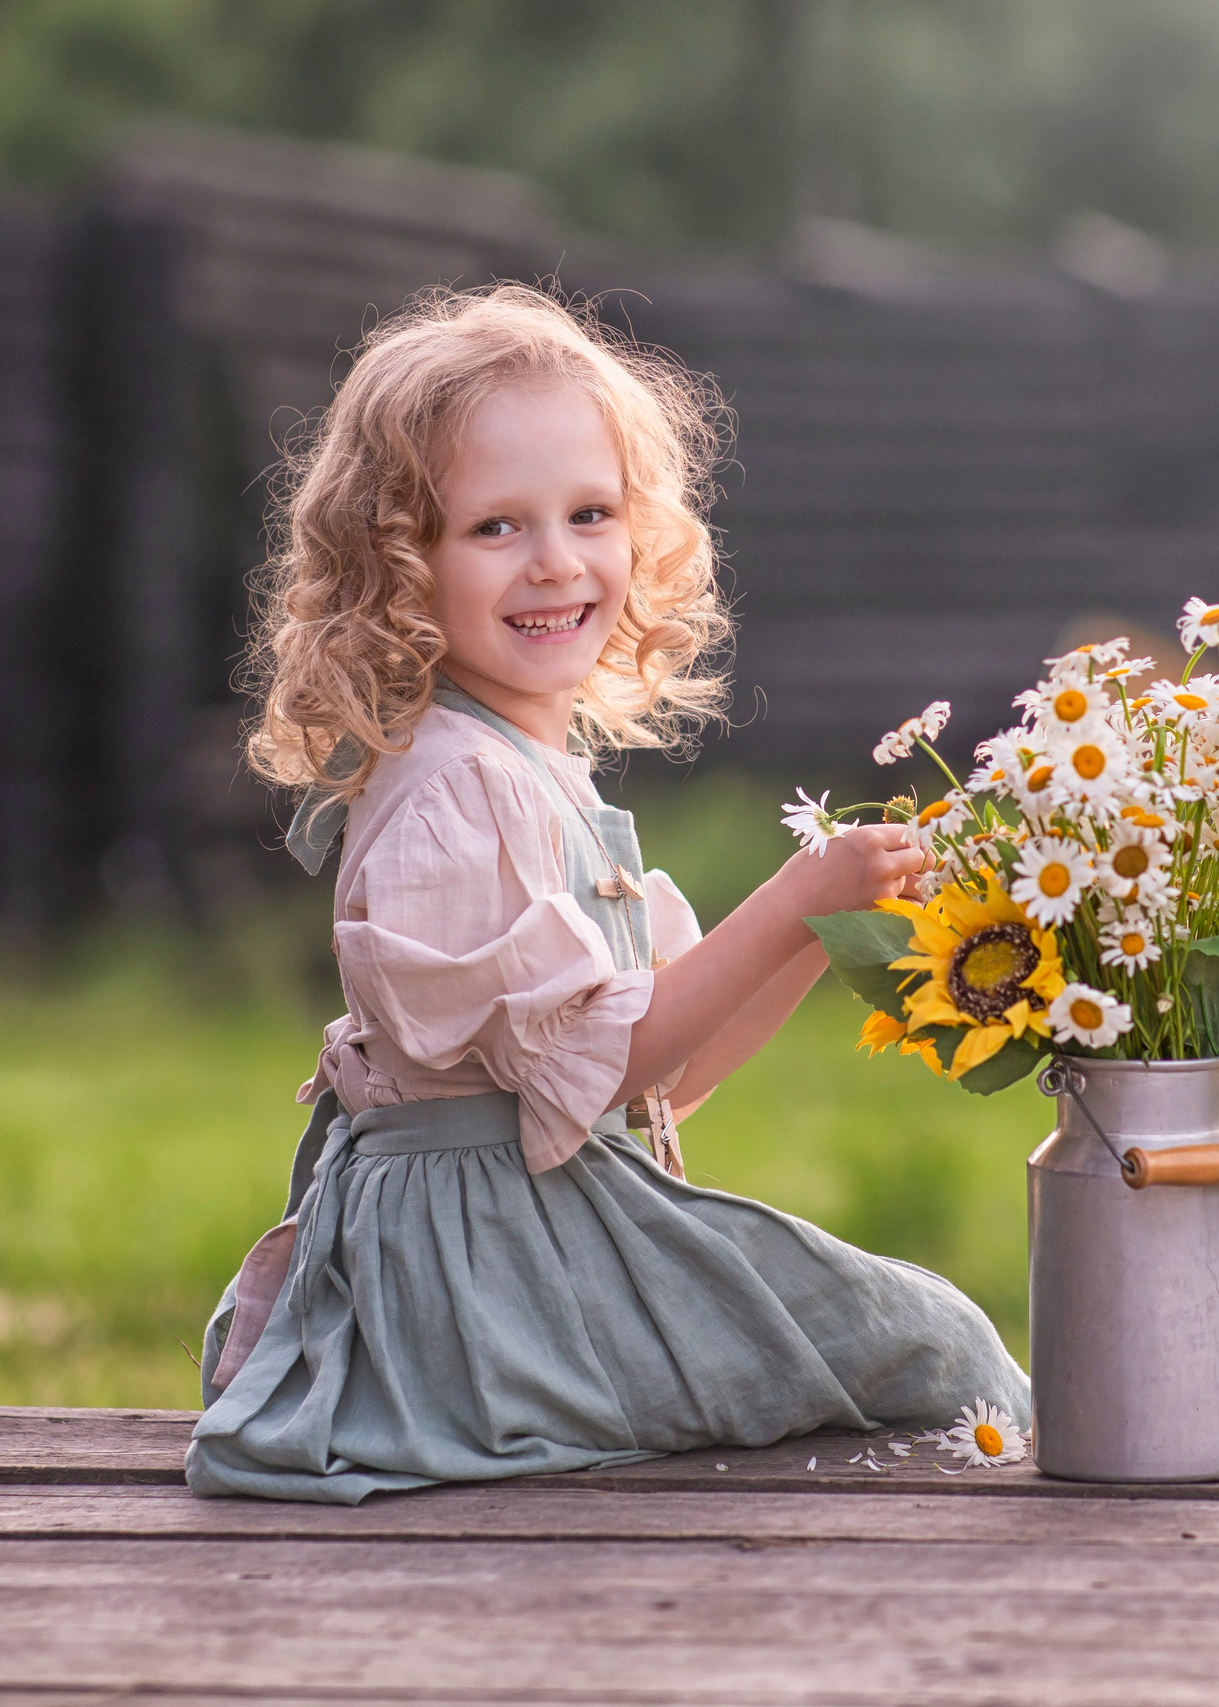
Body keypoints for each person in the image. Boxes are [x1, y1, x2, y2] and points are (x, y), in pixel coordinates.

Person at [186, 284, 1030, 1503]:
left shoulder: (519, 769)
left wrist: (825, 928)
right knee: (930, 1346)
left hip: (539, 1226)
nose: (555, 562)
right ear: (396, 563)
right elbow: (621, 1063)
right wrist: (792, 898)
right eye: (495, 528)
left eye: (590, 513)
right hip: (492, 1282)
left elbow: (670, 1077)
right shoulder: (458, 793)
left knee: (910, 1338)